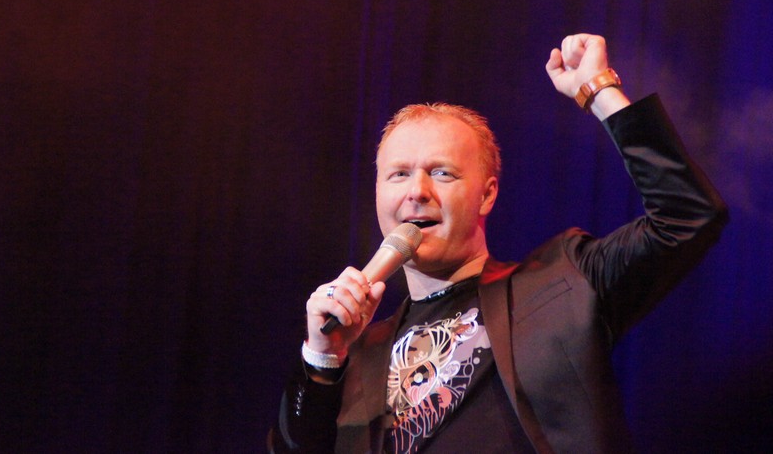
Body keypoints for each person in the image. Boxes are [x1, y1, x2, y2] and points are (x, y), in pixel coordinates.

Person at [268, 34, 728, 453]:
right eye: (399, 174)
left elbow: (687, 214)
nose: (417, 191)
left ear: (487, 195)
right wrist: (322, 357)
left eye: (442, 173)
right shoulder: (355, 354)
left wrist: (599, 90)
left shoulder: (564, 282)